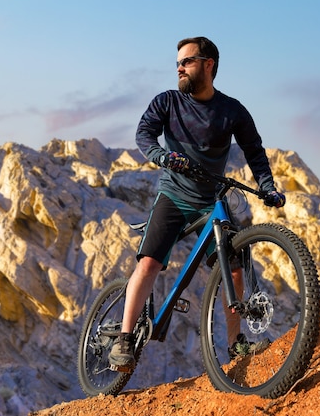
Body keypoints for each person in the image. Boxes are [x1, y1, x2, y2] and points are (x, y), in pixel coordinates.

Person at [108, 36, 286, 371]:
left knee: (233, 269)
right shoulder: (168, 102)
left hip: (211, 201)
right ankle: (125, 339)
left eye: (186, 61)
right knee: (149, 265)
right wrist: (162, 156)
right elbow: (144, 134)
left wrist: (267, 187)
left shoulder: (232, 111)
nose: (179, 68)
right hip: (173, 196)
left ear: (208, 64)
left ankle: (236, 345)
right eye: (177, 63)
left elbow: (255, 152)